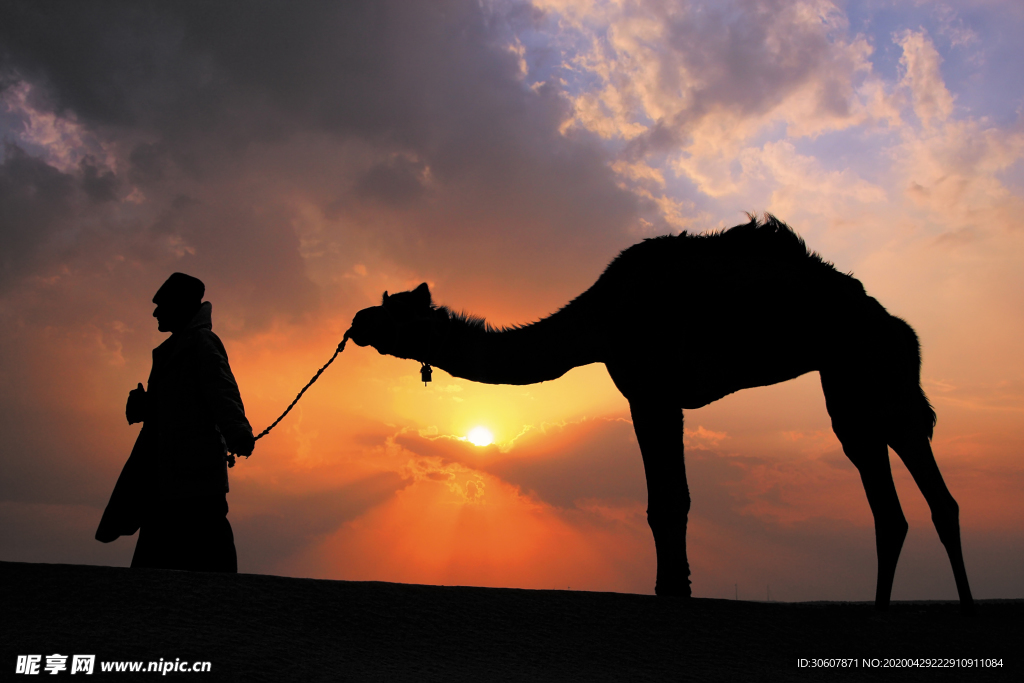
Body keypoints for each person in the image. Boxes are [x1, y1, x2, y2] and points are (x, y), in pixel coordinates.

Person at [96, 273, 255, 572]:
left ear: (179, 305)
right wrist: (145, 406)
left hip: (194, 470)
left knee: (205, 542)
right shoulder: (175, 349)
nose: (156, 312)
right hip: (166, 471)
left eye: (162, 305)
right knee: (161, 543)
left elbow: (221, 389)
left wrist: (238, 433)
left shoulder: (201, 343)